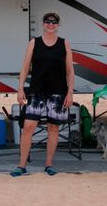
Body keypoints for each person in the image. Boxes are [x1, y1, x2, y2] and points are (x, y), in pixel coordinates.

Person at [11, 11, 75, 177]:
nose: (51, 24)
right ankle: (22, 165)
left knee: (53, 128)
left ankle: (49, 164)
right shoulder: (34, 43)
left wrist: (70, 92)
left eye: (54, 22)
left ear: (58, 25)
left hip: (58, 92)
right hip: (37, 92)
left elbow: (70, 70)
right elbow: (25, 67)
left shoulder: (64, 44)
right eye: (48, 21)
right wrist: (20, 88)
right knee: (28, 127)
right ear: (43, 23)